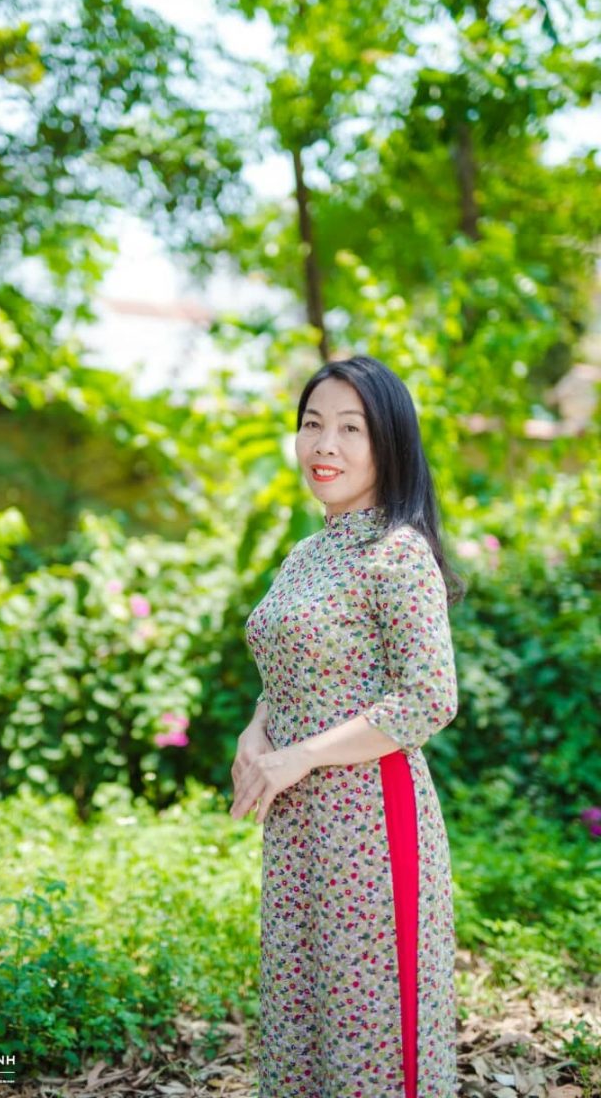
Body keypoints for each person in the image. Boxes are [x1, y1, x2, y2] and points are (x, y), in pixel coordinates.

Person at [230, 356, 461, 1098]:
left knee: (371, 1035)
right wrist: (257, 731)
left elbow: (429, 698)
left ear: (389, 443)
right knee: (302, 1018)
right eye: (312, 424)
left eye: (351, 429)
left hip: (371, 822)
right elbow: (289, 673)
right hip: (298, 823)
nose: (324, 445)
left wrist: (299, 756)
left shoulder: (398, 553)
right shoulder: (305, 555)